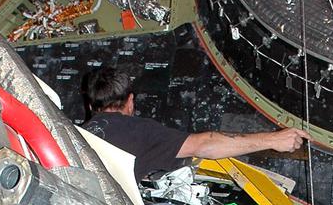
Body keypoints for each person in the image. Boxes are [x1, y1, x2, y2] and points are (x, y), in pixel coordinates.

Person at [80, 66, 307, 183]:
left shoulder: (77, 132)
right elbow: (204, 145)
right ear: (130, 102)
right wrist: (273, 139)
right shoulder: (139, 131)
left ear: (91, 107)